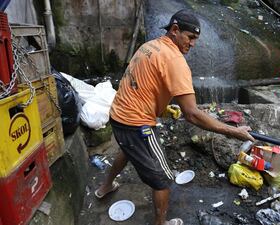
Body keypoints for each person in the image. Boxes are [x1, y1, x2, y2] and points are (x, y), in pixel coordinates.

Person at [94, 9, 255, 225]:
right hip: (136, 124)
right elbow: (192, 114)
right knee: (163, 180)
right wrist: (234, 131)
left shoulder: (149, 46)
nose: (193, 44)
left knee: (127, 149)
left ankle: (105, 188)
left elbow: (140, 86)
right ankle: (161, 223)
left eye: (195, 39)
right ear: (175, 30)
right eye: (190, 37)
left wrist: (163, 110)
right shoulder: (174, 60)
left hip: (118, 116)